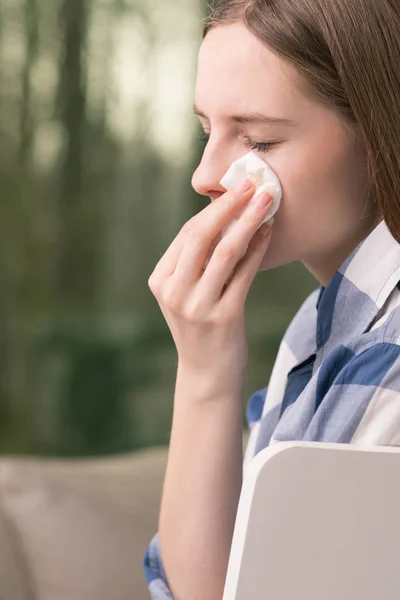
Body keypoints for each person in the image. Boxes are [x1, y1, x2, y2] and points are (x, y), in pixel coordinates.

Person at [143, 0, 400, 598]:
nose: (205, 175)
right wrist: (205, 375)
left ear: (381, 135)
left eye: (258, 141)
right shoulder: (318, 327)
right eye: (208, 130)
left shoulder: (387, 354)